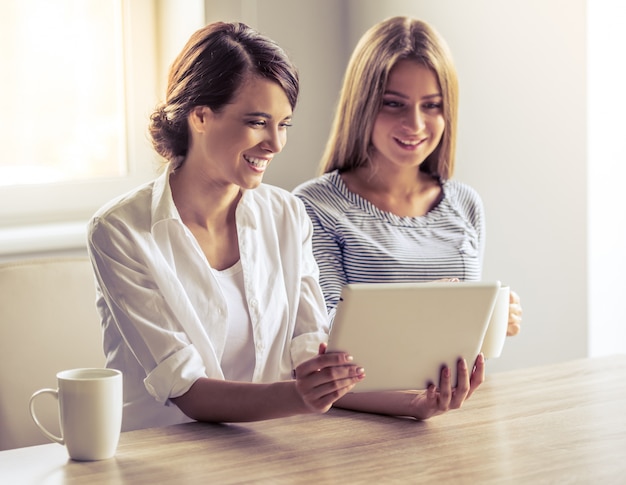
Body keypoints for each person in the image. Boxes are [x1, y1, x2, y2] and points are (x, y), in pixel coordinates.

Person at [88, 21, 482, 432]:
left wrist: (413, 404)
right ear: (200, 116)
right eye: (258, 122)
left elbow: (314, 360)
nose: (275, 144)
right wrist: (298, 396)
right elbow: (186, 389)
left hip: (264, 449)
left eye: (284, 125)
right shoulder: (120, 231)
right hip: (160, 456)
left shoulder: (286, 215)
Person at [293, 16, 522, 336]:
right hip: (366, 388)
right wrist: (424, 306)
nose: (415, 124)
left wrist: (493, 318)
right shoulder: (313, 206)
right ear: (362, 105)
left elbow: (461, 335)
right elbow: (325, 331)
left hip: (460, 388)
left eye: (431, 105)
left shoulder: (465, 204)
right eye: (393, 104)